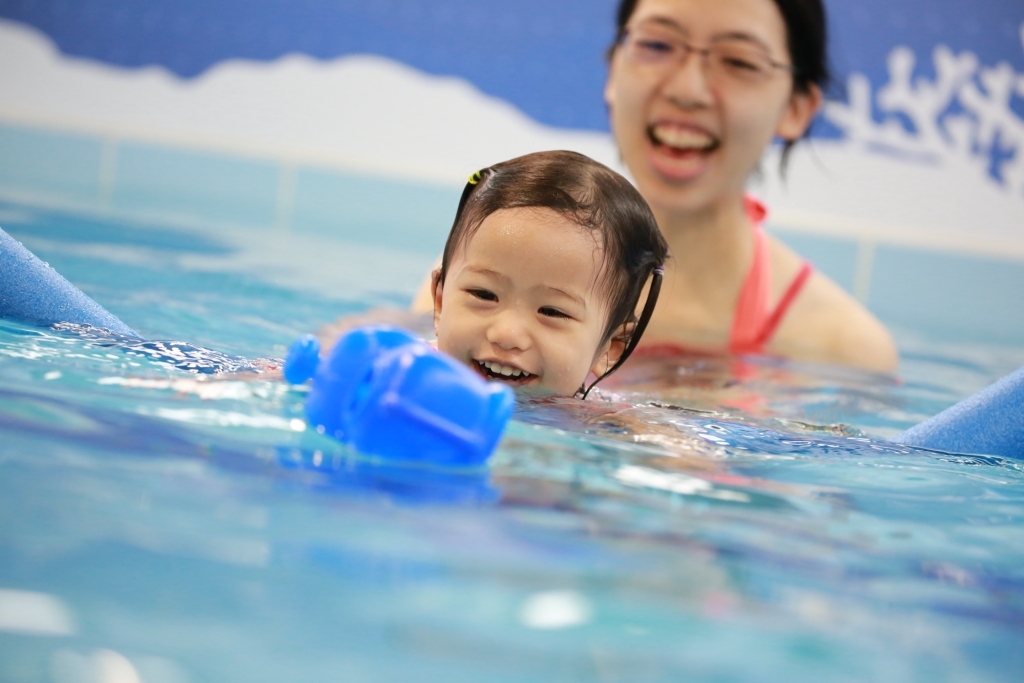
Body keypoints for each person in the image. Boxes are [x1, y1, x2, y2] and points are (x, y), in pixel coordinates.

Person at [415, 0, 898, 374]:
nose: (687, 90)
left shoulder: (843, 353)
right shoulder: (474, 286)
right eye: (657, 45)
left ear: (797, 107)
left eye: (739, 61)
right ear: (612, 70)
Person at [431, 150, 668, 397]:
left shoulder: (597, 425)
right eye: (484, 294)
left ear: (609, 349)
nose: (507, 335)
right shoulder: (404, 380)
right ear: (440, 302)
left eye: (552, 312)